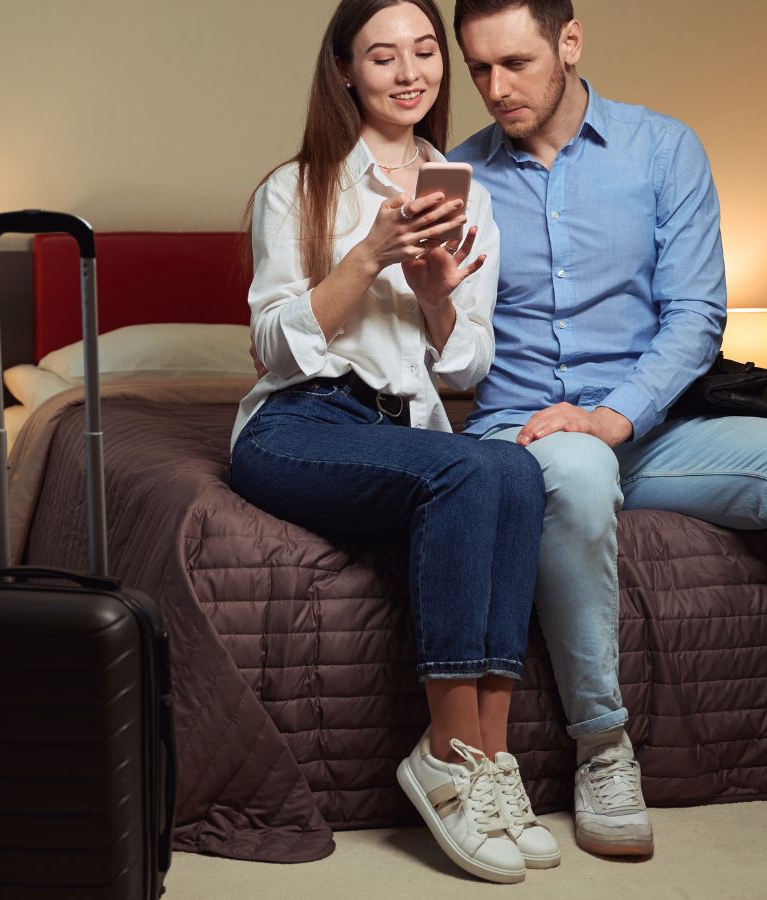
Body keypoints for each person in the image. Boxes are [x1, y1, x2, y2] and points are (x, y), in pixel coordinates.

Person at [446, 0, 767, 864]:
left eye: (515, 63)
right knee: (578, 472)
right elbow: (444, 350)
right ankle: (603, 750)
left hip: (651, 426)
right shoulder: (460, 176)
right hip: (522, 431)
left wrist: (616, 413)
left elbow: (696, 314)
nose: (495, 88)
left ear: (570, 42)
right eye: (479, 69)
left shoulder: (664, 150)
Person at [228, 0, 559, 884]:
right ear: (344, 71)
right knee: (463, 470)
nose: (411, 72)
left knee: (512, 469)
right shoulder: (296, 188)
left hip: (402, 423)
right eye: (383, 57)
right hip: (297, 423)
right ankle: (447, 756)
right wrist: (369, 257)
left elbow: (463, 367)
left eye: (424, 52)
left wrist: (438, 291)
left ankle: (491, 758)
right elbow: (271, 348)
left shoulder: (467, 193)